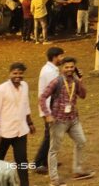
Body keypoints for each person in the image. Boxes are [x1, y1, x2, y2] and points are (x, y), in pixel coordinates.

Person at [38, 57, 95, 185]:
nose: (69, 69)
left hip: (73, 119)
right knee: (54, 150)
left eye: (72, 67)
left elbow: (83, 95)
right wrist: (47, 114)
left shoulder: (75, 81)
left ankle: (77, 170)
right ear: (62, 68)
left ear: (75, 68)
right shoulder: (56, 82)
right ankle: (54, 179)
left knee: (81, 142)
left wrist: (81, 81)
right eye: (67, 67)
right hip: (58, 121)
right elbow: (42, 97)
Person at [0, 62, 36, 186]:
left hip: (21, 131)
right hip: (4, 132)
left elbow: (25, 105)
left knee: (22, 160)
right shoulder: (0, 90)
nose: (18, 76)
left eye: (20, 73)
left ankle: (25, 184)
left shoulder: (25, 86)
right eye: (15, 73)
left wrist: (30, 122)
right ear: (9, 74)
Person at [33, 47, 64, 175]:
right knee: (49, 136)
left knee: (52, 135)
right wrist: (47, 113)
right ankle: (38, 163)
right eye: (61, 56)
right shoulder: (49, 72)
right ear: (55, 57)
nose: (62, 59)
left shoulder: (51, 69)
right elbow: (49, 93)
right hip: (49, 108)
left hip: (49, 107)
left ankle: (47, 160)